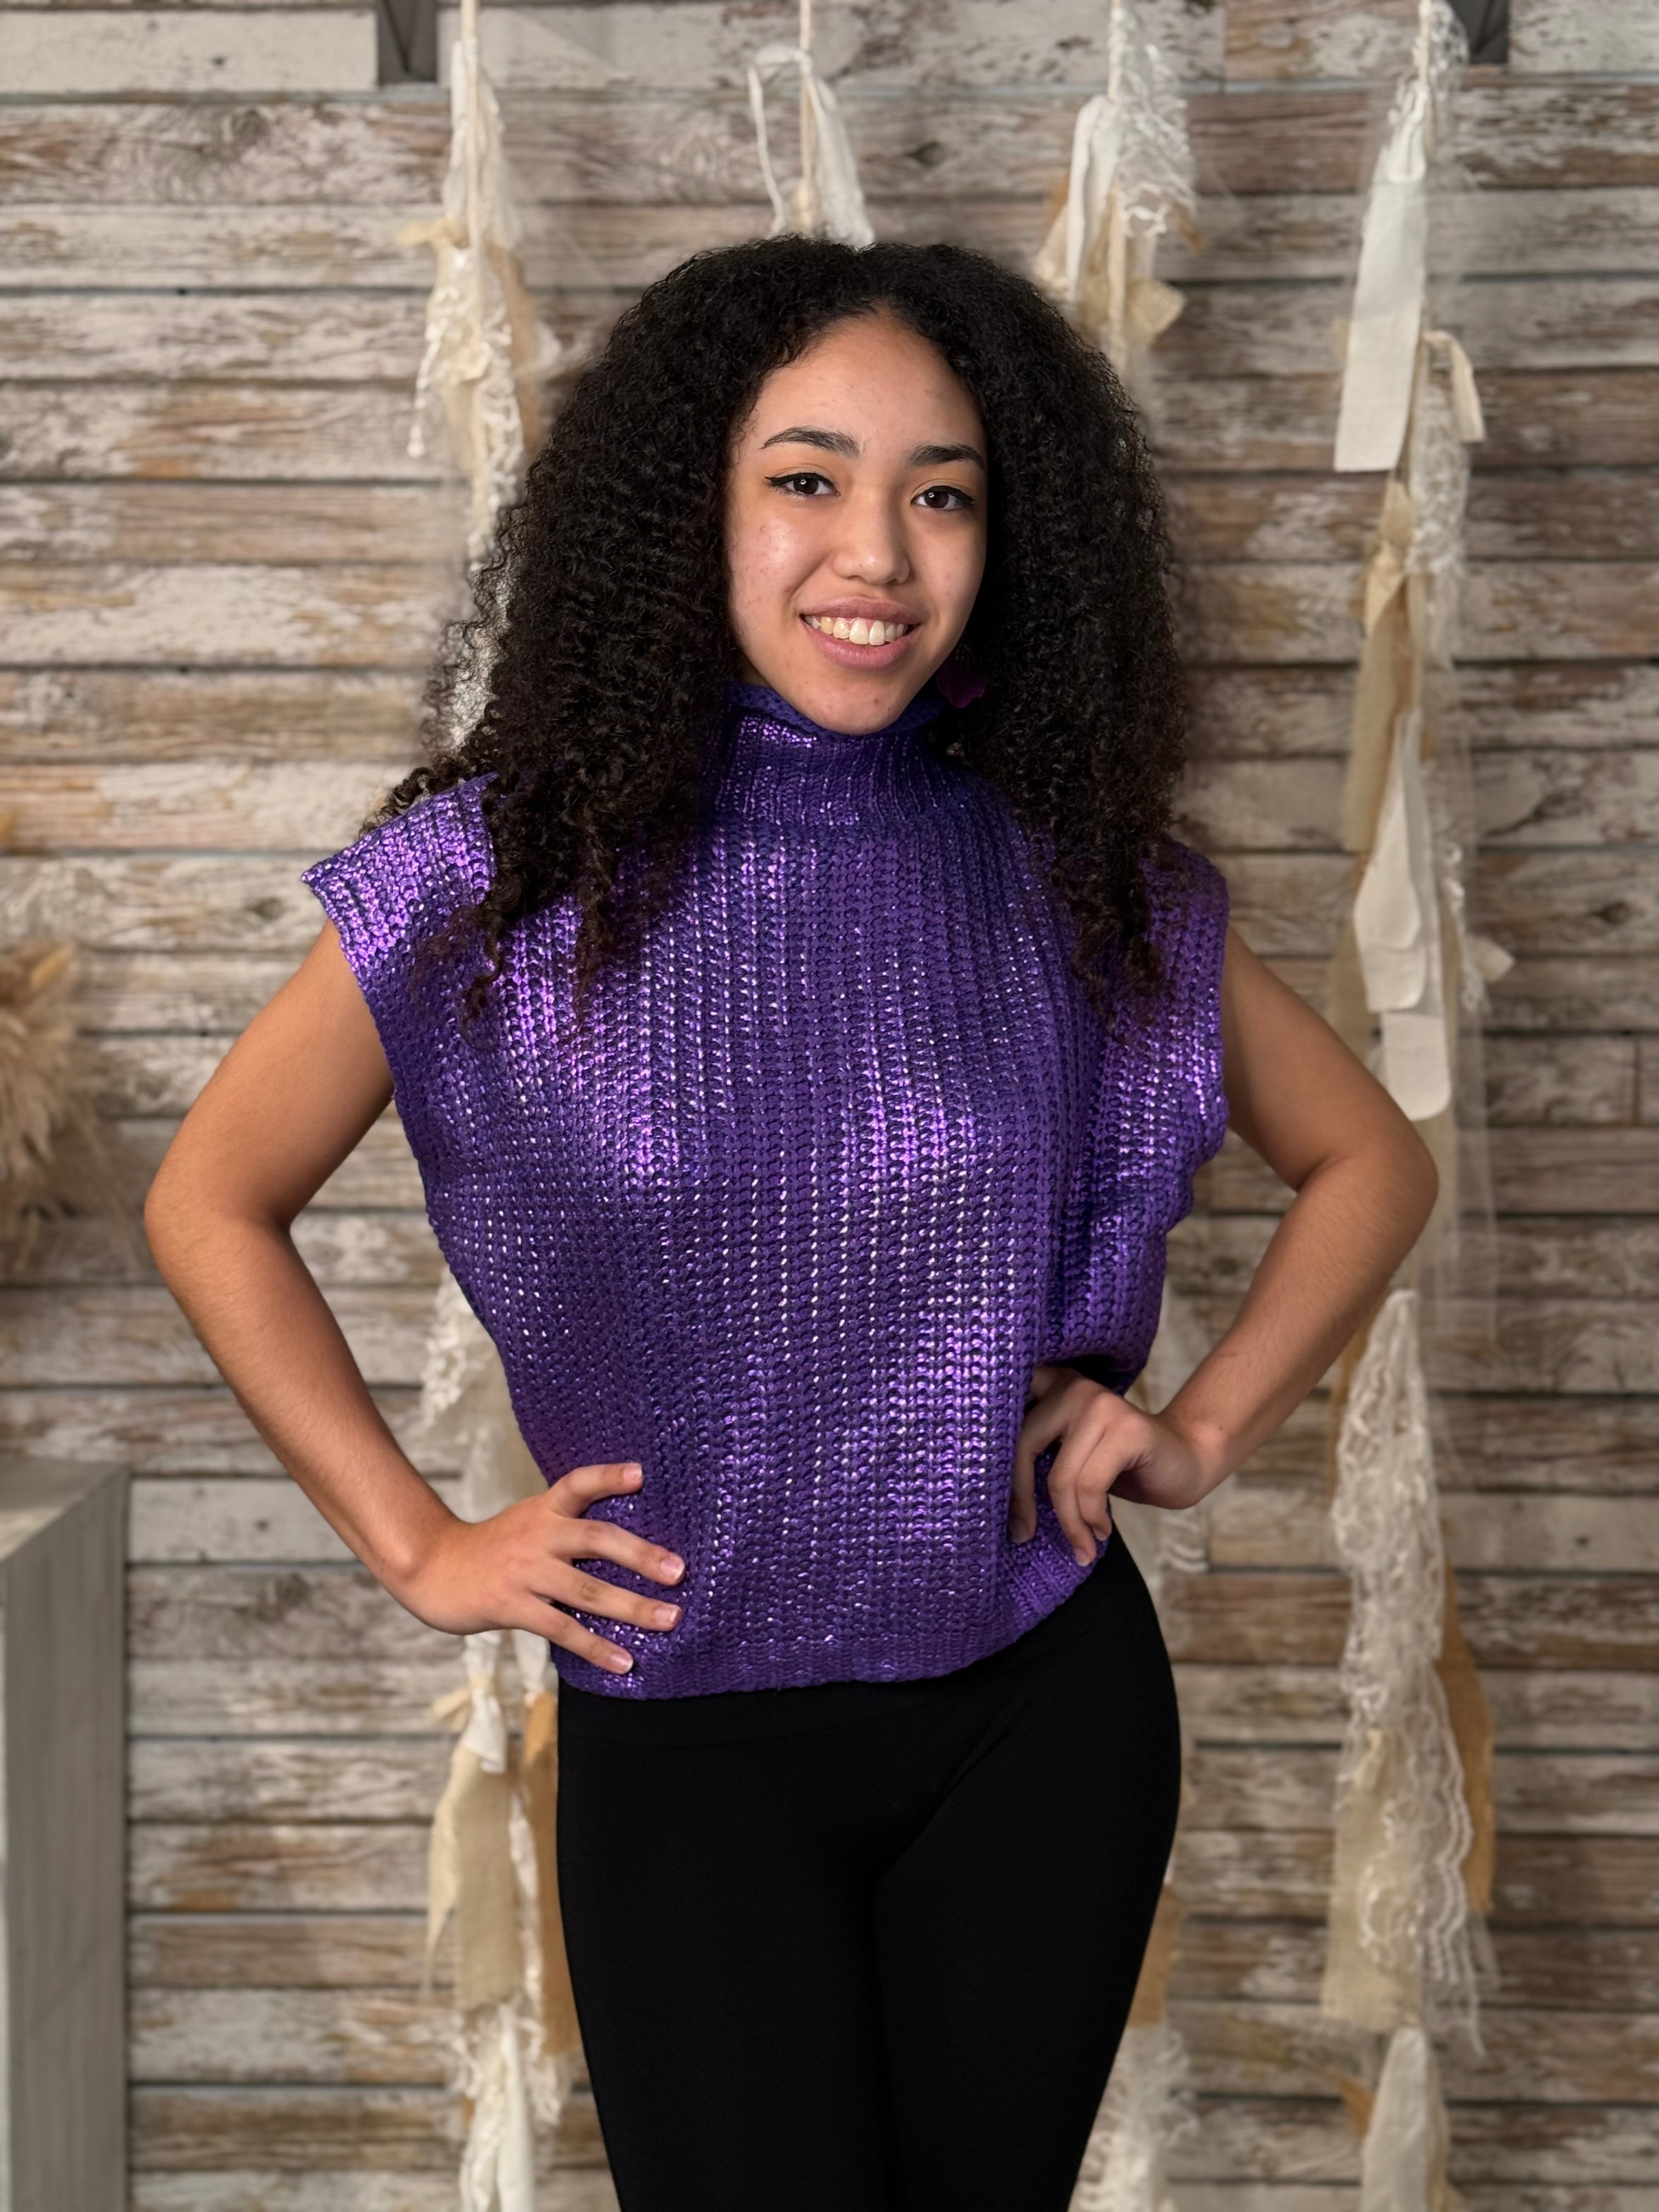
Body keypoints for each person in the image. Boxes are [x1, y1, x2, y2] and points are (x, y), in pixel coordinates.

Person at [144, 236, 1438, 2210]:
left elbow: (1373, 1164)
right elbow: (210, 1201)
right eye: (808, 480)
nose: (881, 556)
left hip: (1035, 1718)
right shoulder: (493, 878)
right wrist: (418, 1544)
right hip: (687, 1738)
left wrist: (1194, 1431)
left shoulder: (1077, 874)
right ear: (692, 508)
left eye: (945, 495)